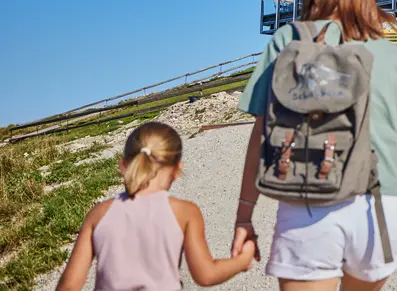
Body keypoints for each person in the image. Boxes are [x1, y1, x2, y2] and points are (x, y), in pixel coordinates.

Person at [233, 0, 397, 291]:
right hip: (380, 207)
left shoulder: (288, 40)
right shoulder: (392, 53)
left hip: (309, 199)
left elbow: (260, 137)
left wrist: (244, 215)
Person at [57, 122, 255, 291]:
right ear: (177, 170)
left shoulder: (99, 214)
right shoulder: (184, 212)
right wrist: (242, 260)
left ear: (123, 166)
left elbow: (68, 287)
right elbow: (206, 275)